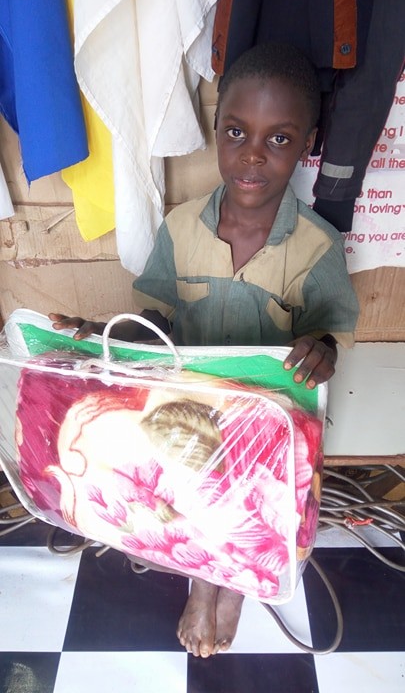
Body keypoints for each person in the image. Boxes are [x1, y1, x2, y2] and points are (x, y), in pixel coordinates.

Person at [49, 41, 359, 657]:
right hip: (189, 414)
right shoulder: (181, 229)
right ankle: (202, 579)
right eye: (237, 132)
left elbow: (331, 335)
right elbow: (155, 319)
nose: (252, 155)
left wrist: (321, 349)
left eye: (278, 139)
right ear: (217, 131)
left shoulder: (318, 247)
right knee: (193, 499)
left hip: (267, 426)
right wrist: (102, 333)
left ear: (308, 144)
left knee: (249, 509)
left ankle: (235, 585)